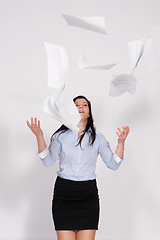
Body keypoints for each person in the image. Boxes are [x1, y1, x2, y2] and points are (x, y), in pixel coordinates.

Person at [26, 95, 130, 240]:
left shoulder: (98, 138)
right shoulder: (60, 137)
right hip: (64, 195)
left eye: (85, 105)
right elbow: (48, 161)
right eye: (76, 105)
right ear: (70, 111)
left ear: (89, 112)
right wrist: (39, 136)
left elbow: (113, 164)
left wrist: (120, 143)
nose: (81, 107)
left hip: (88, 196)